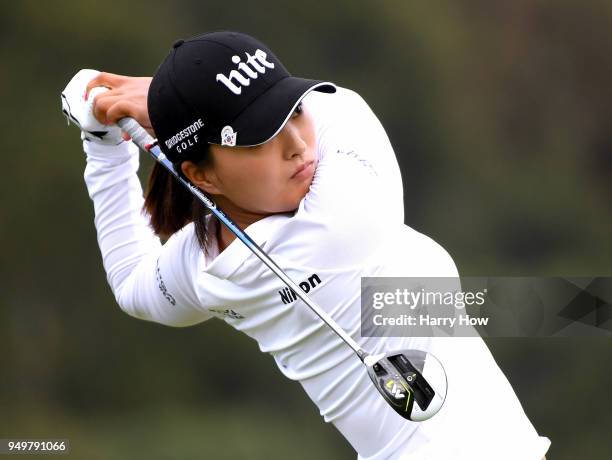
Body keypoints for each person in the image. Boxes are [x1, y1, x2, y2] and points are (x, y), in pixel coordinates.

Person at [61, 31, 550, 460]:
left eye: (293, 110)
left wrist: (102, 144)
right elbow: (343, 106)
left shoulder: (203, 267)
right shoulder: (344, 219)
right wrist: (157, 100)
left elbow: (130, 281)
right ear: (202, 175)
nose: (296, 143)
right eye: (258, 137)